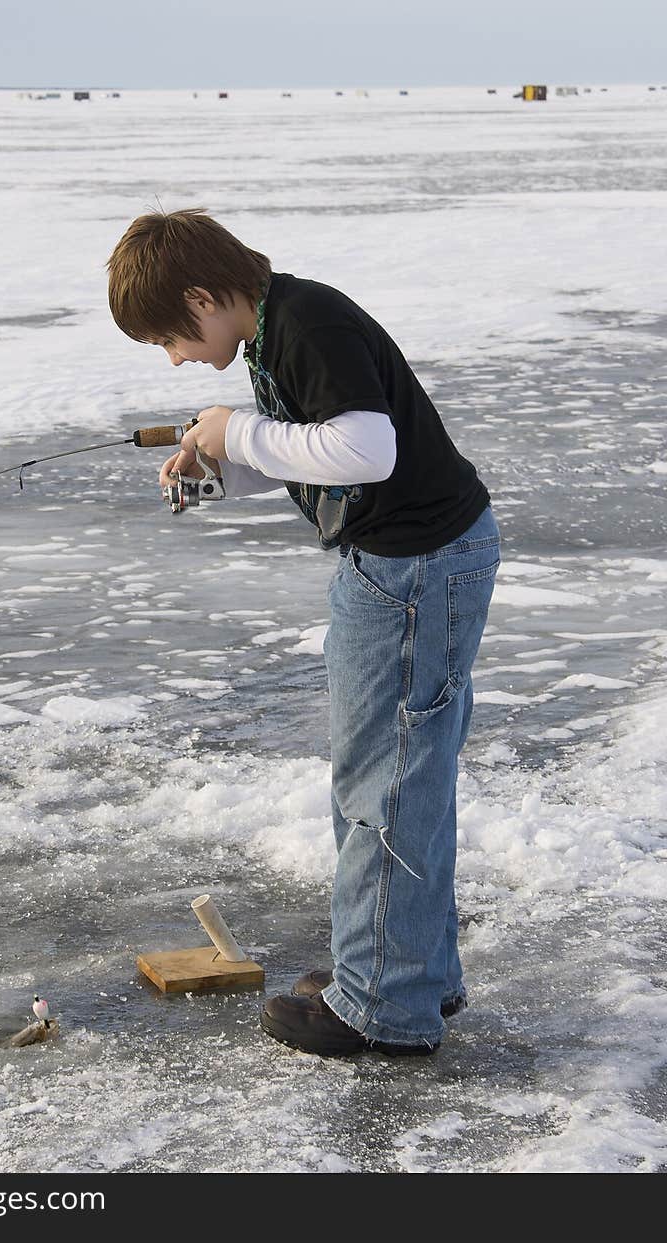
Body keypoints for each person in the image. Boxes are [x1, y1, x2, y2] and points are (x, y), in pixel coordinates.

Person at [107, 208, 500, 1057]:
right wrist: (220, 469)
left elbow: (366, 450)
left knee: (387, 784)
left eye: (171, 339)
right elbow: (315, 452)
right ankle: (402, 971)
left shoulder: (307, 320)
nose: (175, 359)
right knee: (391, 778)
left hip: (415, 572)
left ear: (205, 296)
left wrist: (234, 427)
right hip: (402, 565)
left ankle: (383, 1005)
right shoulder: (274, 331)